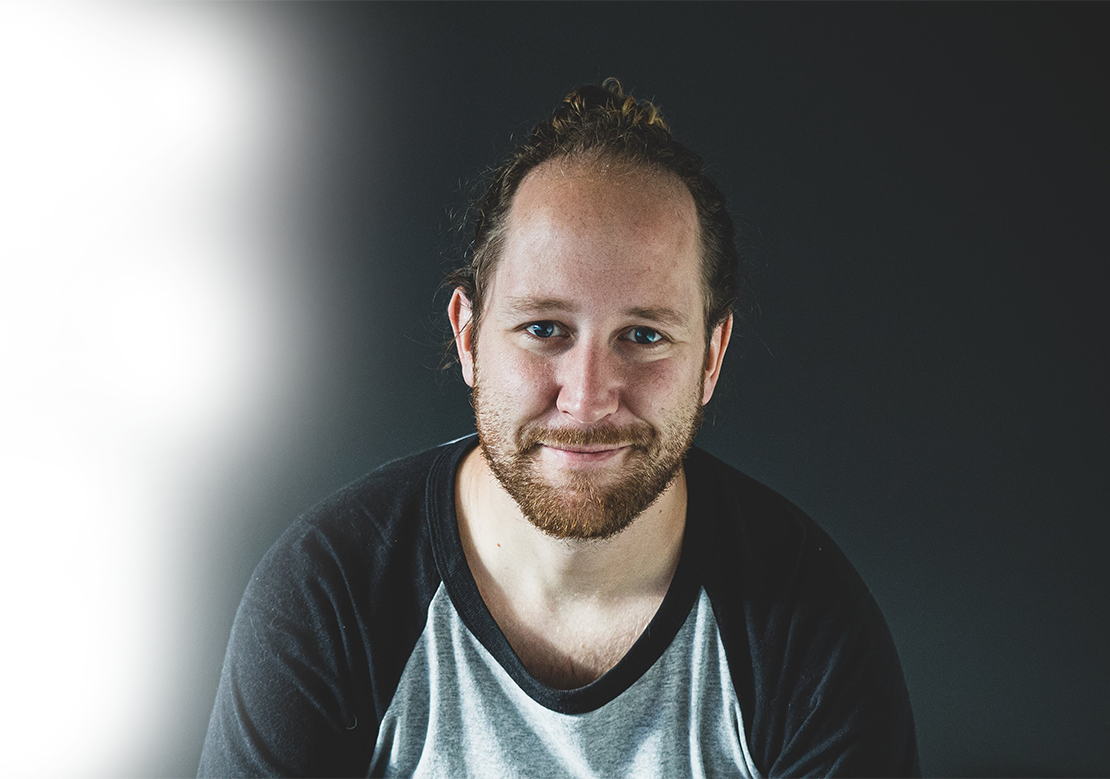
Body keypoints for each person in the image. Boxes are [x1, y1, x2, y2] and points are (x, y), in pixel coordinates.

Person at [198, 79, 920, 777]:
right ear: (469, 337)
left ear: (711, 357)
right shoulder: (327, 595)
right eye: (544, 328)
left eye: (643, 335)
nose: (587, 399)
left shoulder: (811, 628)